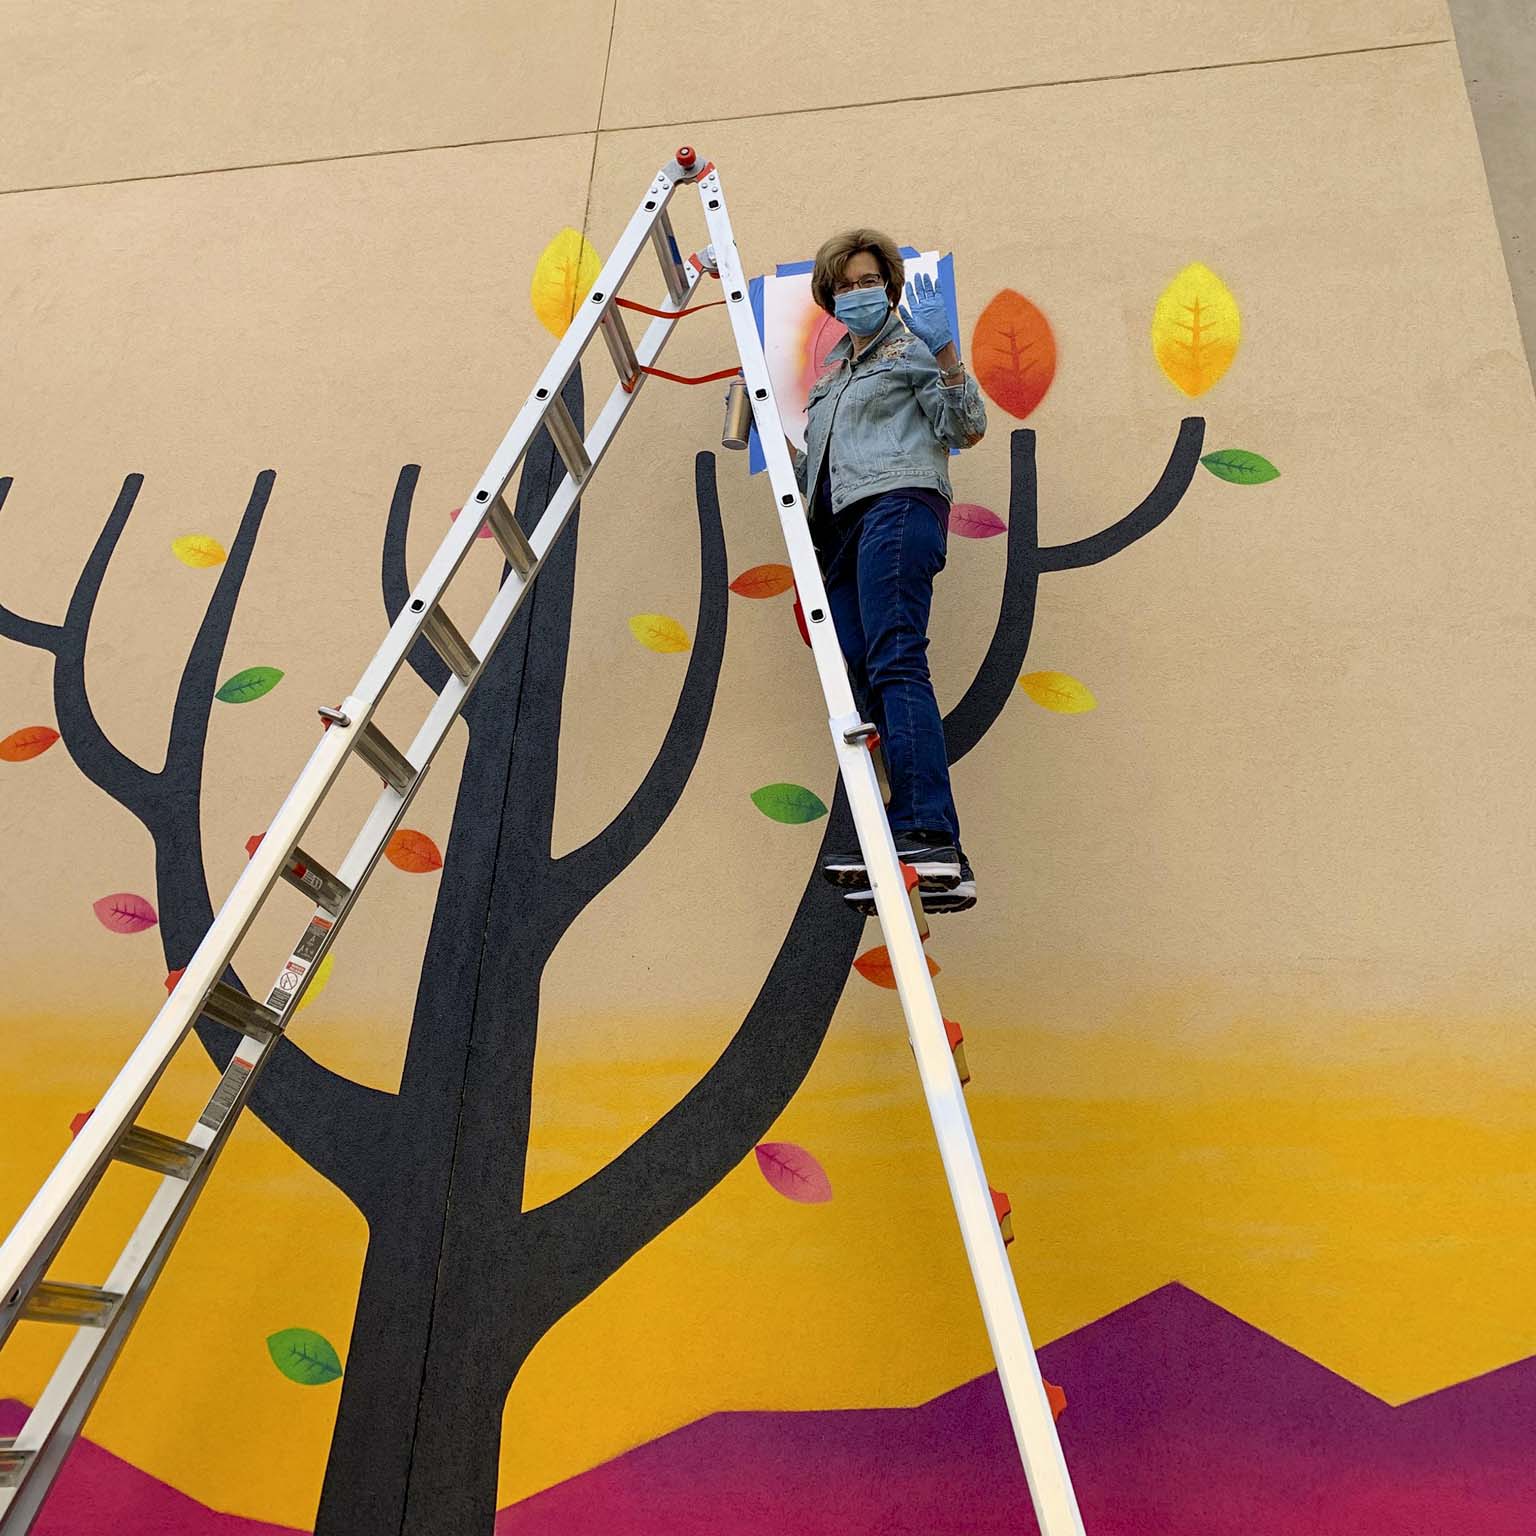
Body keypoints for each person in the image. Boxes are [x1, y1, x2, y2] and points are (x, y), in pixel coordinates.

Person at [782, 229, 987, 915]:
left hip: (899, 505)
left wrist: (947, 353)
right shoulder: (832, 376)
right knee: (858, 681)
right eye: (844, 285)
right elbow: (820, 468)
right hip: (839, 533)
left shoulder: (911, 350)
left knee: (896, 660)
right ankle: (914, 851)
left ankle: (926, 831)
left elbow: (965, 428)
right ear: (829, 297)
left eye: (868, 280)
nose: (856, 293)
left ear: (890, 287)